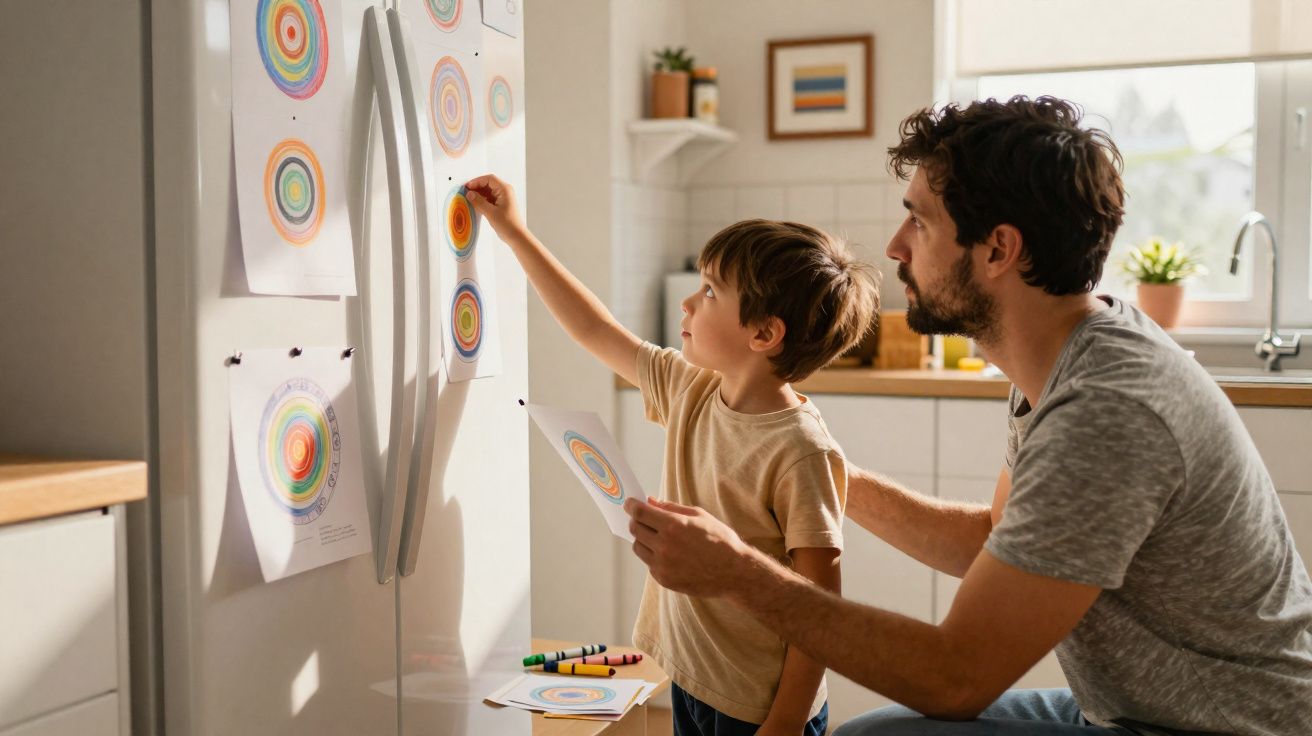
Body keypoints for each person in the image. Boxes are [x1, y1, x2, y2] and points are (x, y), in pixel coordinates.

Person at [623, 96, 1312, 735]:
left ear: (998, 249)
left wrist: (739, 572)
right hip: (1125, 709)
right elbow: (994, 539)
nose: (894, 246)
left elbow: (954, 680)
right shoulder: (1065, 358)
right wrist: (817, 471)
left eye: (919, 221)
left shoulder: (1108, 412)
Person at [463, 175, 880, 736]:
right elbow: (593, 328)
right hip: (691, 679)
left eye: (709, 291)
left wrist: (783, 724)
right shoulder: (693, 388)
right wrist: (514, 233)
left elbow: (820, 612)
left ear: (764, 334)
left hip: (760, 708)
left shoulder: (801, 450)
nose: (688, 300)